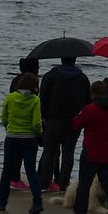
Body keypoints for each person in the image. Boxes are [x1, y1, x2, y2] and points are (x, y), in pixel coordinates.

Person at [69, 80, 108, 214]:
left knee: (84, 185)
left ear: (92, 93)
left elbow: (76, 123)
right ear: (106, 92)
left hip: (91, 151)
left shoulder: (90, 109)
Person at [37, 56, 90, 193]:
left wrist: (43, 116)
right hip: (73, 120)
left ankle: (44, 183)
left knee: (49, 152)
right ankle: (64, 184)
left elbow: (42, 97)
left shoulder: (51, 76)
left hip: (53, 120)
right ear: (75, 60)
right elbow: (87, 101)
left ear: (61, 60)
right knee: (68, 153)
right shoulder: (82, 78)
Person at [0, 72, 43, 213]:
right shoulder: (35, 100)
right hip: (29, 139)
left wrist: (10, 128)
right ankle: (37, 203)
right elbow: (36, 123)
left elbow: (4, 118)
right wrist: (39, 133)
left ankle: (2, 202)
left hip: (12, 138)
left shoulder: (10, 98)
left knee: (7, 171)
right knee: (31, 171)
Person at [7, 57, 39, 190]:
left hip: (13, 126)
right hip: (28, 129)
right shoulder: (33, 85)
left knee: (14, 155)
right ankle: (17, 179)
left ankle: (13, 178)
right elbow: (36, 113)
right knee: (28, 159)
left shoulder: (15, 81)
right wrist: (39, 130)